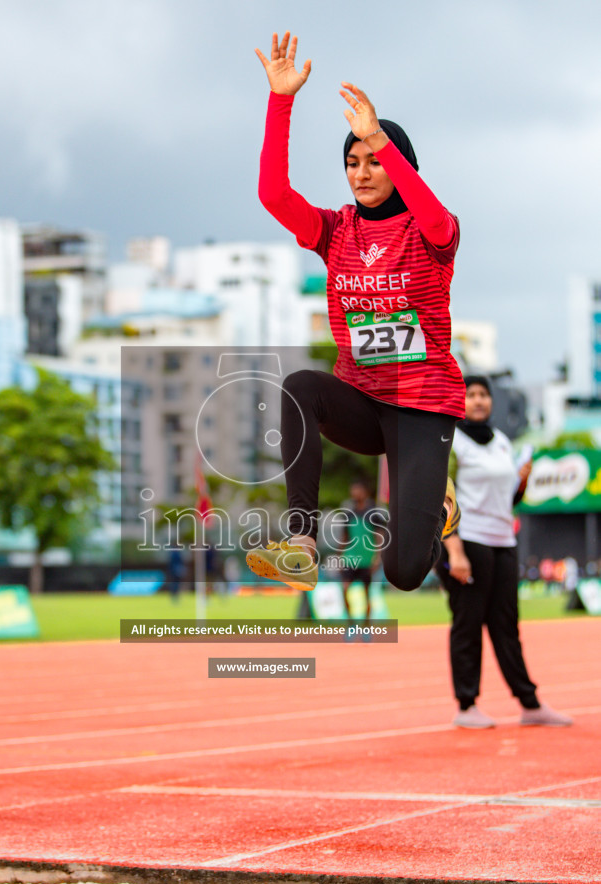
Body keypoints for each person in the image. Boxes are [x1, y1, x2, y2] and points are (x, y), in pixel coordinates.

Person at [245, 32, 463, 594]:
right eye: (352, 162)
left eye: (373, 160)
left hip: (421, 408)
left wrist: (379, 137)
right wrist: (280, 100)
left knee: (404, 571)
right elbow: (274, 194)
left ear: (400, 165)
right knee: (298, 385)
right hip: (363, 399)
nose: (361, 172)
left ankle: (436, 509)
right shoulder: (335, 230)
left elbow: (435, 217)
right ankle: (300, 542)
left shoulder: (432, 230)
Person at [435, 375, 573, 728]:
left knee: (506, 625)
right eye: (471, 395)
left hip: (502, 541)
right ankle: (466, 706)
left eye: (484, 395)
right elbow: (443, 499)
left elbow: (508, 499)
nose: (478, 401)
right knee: (468, 623)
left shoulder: (501, 442)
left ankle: (529, 703)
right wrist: (456, 550)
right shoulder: (451, 441)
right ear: (459, 400)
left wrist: (522, 479)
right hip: (468, 540)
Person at [338, 480, 380, 623]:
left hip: (367, 558)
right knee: (344, 589)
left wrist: (378, 557)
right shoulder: (349, 514)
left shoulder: (373, 514)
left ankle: (366, 624)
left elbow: (379, 537)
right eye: (353, 490)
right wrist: (339, 556)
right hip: (350, 557)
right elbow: (344, 537)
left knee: (366, 593)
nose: (355, 493)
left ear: (365, 492)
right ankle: (350, 622)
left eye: (358, 490)